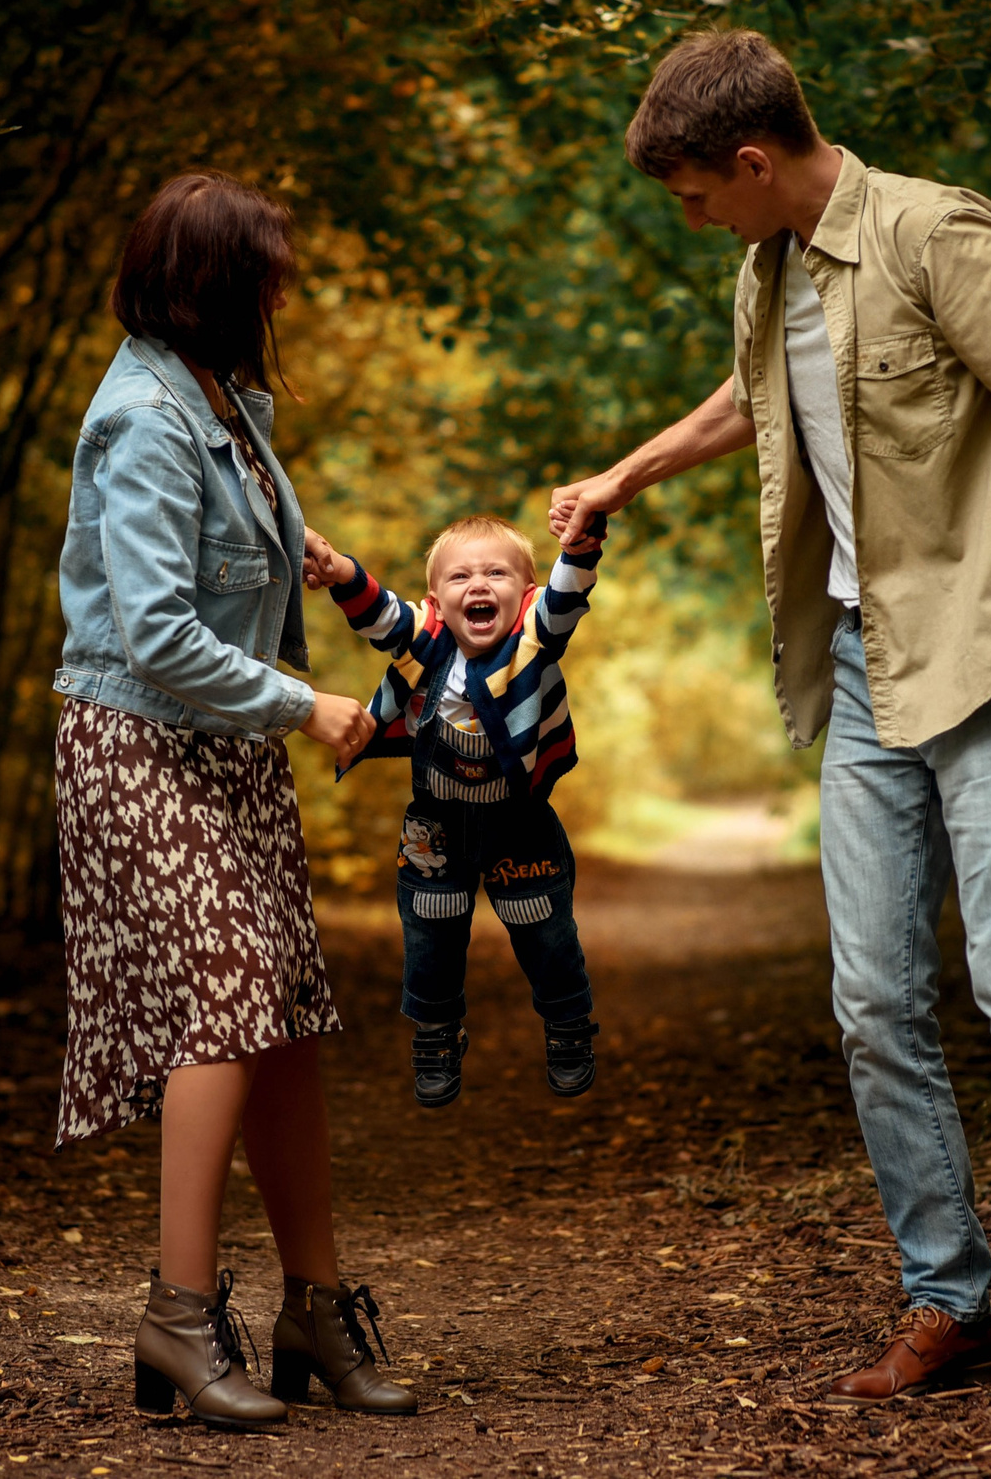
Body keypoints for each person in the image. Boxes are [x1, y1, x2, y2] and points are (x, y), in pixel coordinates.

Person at [549, 32, 991, 1414]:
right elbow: (754, 397)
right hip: (862, 666)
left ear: (755, 160)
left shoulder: (931, 233)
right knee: (876, 1001)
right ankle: (950, 1305)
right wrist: (623, 476)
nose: (695, 216)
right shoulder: (769, 268)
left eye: (696, 193)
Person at [49, 171, 417, 1431]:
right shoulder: (146, 418)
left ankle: (314, 1305)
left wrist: (308, 568)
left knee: (287, 1017)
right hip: (144, 745)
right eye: (266, 269)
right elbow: (151, 631)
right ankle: (177, 1311)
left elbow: (222, 585)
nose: (281, 290)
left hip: (226, 751)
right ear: (212, 279)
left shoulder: (227, 404)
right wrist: (302, 703)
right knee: (224, 1002)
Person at [303, 512, 608, 1106]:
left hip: (518, 820)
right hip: (435, 822)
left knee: (544, 928)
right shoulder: (426, 639)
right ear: (436, 601)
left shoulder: (533, 640)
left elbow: (568, 595)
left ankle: (568, 1024)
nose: (478, 585)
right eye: (460, 576)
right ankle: (437, 1032)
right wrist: (338, 569)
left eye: (497, 573)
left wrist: (580, 545)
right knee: (430, 931)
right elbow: (377, 612)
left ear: (525, 594)